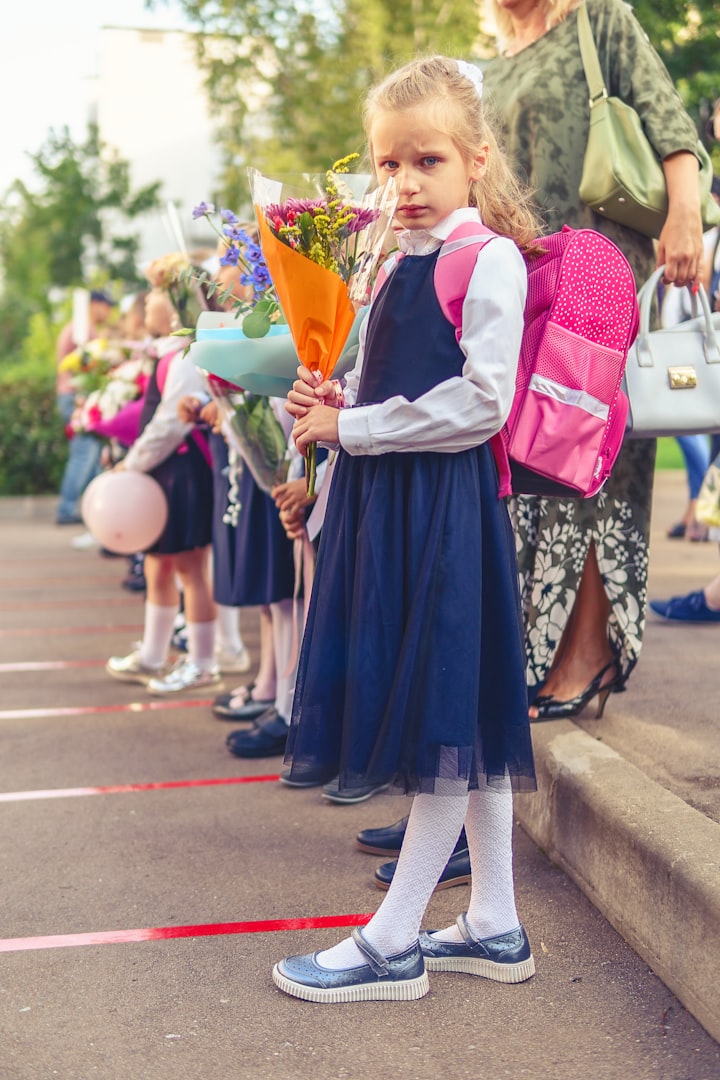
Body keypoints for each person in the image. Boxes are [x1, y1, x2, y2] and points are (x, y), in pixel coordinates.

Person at [271, 55, 538, 1004]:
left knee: (441, 710)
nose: (405, 183)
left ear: (476, 160)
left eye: (427, 160)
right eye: (388, 165)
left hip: (442, 510)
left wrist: (359, 426)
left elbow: (482, 401)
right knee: (465, 709)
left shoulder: (486, 257)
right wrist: (328, 404)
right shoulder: (389, 264)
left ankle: (395, 943)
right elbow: (386, 386)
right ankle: (496, 924)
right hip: (392, 504)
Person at [483, 0, 705, 720]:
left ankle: (586, 656)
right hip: (526, 284)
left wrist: (684, 218)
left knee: (595, 469)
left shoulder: (599, 18)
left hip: (600, 279)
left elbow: (671, 125)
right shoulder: (491, 61)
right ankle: (539, 652)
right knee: (535, 469)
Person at [106, 283, 218, 694]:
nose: (147, 301)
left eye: (154, 293)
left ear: (174, 306)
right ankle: (154, 655)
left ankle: (203, 664)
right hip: (164, 471)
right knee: (158, 564)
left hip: (181, 470)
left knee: (190, 568)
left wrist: (131, 463)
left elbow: (173, 421)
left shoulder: (186, 355)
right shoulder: (169, 353)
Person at [55, 289, 117, 525]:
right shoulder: (81, 330)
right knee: (83, 455)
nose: (109, 312)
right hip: (76, 397)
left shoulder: (79, 327)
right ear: (95, 305)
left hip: (73, 396)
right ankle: (67, 509)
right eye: (107, 306)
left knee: (89, 457)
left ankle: (89, 506)